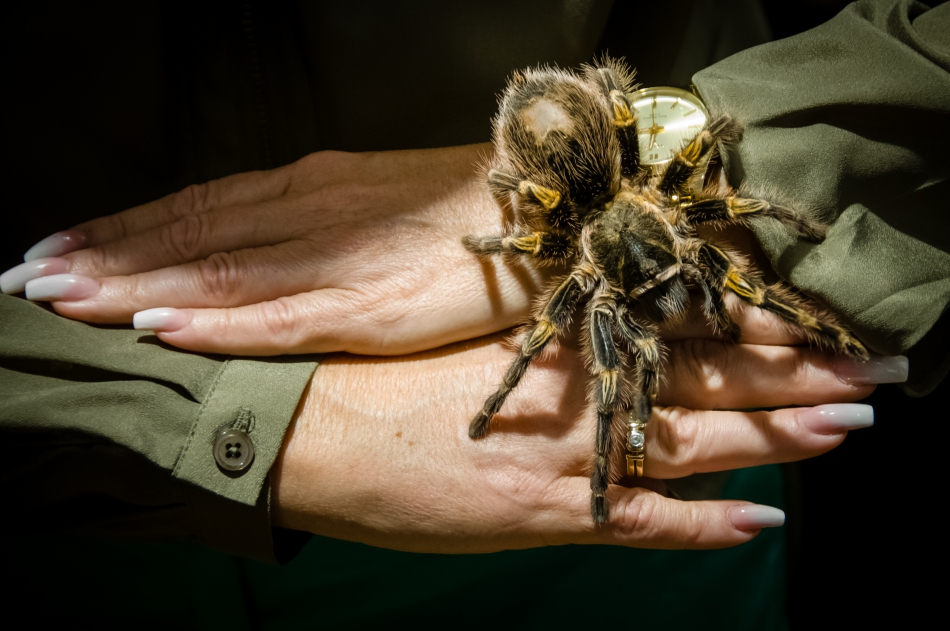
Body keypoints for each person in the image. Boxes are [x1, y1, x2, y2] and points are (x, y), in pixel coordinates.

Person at [1, 0, 946, 626]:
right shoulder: (572, 258)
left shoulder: (679, 212)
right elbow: (551, 323)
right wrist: (499, 359)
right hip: (71, 517)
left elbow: (742, 203)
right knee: (621, 357)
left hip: (578, 546)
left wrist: (775, 167)